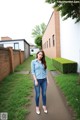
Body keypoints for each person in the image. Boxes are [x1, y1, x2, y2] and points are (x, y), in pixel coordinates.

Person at [31, 50, 49, 115]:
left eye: (42, 55)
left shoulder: (44, 62)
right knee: (38, 94)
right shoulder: (33, 62)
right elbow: (33, 72)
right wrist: (35, 80)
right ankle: (37, 107)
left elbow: (46, 71)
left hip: (44, 80)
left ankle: (44, 106)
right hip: (37, 80)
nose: (40, 56)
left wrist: (47, 79)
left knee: (44, 94)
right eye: (39, 54)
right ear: (37, 54)